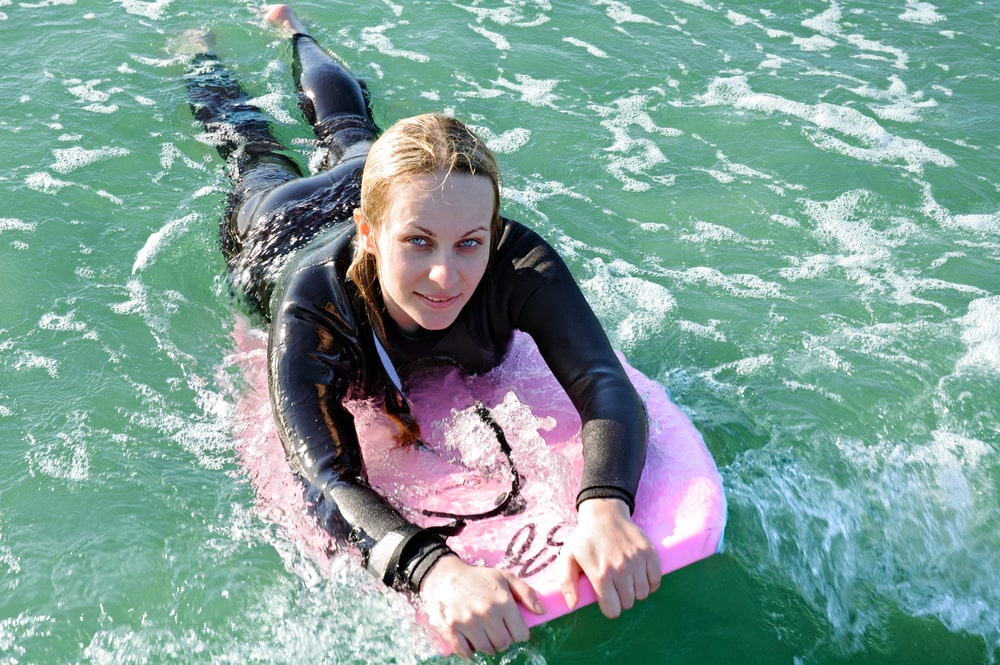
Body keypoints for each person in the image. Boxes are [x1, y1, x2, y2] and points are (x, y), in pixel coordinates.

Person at [181, 5, 660, 658]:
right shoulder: (314, 306)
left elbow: (605, 383)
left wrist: (605, 504)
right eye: (418, 244)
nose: (445, 273)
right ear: (372, 235)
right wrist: (431, 567)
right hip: (278, 227)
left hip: (380, 182)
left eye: (470, 242)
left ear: (494, 231)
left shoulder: (519, 263)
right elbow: (327, 476)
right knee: (255, 153)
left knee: (352, 131)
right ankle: (198, 55)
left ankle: (294, 31)